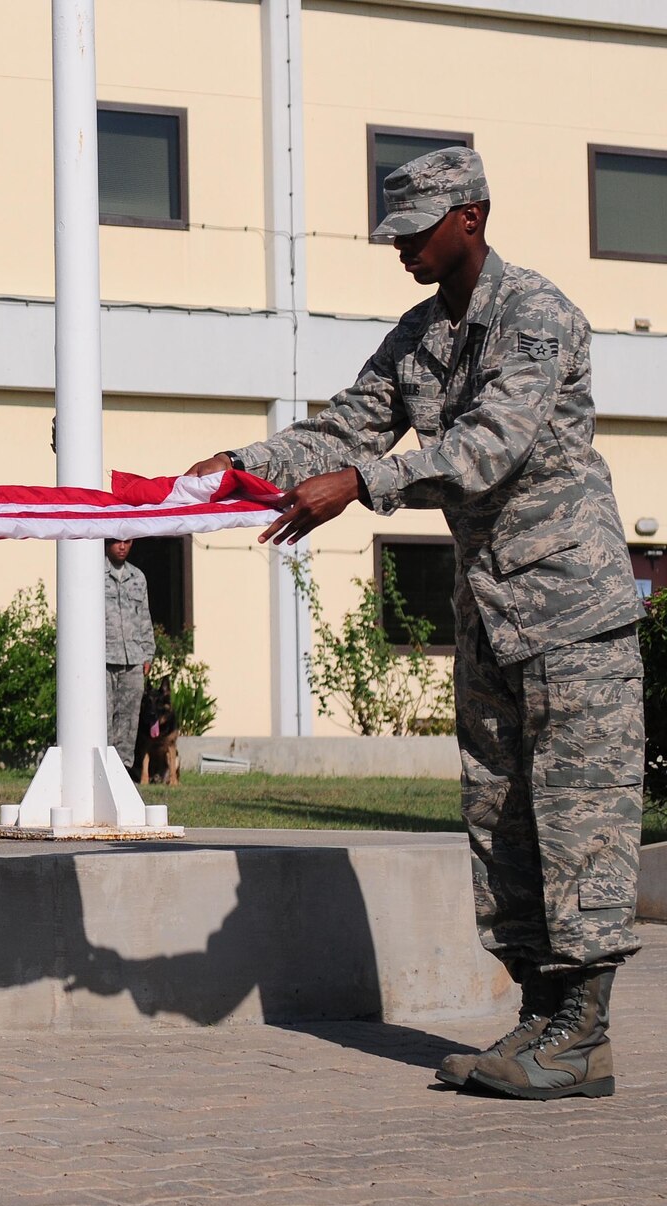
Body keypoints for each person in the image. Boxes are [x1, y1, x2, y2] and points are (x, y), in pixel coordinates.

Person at [185, 148, 645, 1101]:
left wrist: (360, 485)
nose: (401, 248)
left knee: (578, 819)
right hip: (488, 613)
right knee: (500, 817)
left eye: (416, 230)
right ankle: (546, 1016)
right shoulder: (418, 335)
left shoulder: (538, 315)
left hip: (571, 613)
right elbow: (348, 426)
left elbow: (488, 448)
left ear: (471, 216)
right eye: (393, 233)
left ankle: (583, 1027)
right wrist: (243, 462)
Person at [104, 538, 154, 773]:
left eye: (127, 541)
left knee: (129, 719)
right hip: (103, 659)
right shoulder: (94, 574)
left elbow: (144, 617)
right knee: (102, 718)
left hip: (133, 658)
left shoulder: (138, 577)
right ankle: (101, 768)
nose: (122, 546)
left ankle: (122, 771)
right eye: (116, 542)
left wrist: (148, 654)